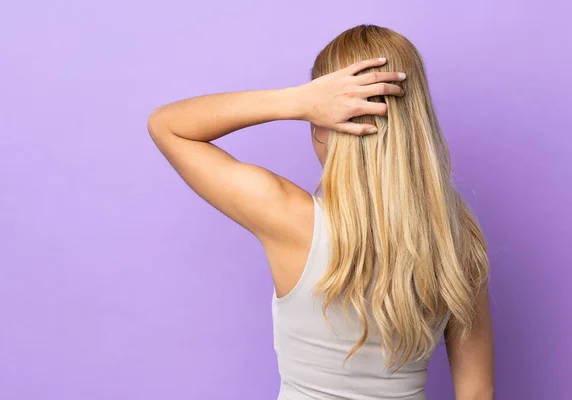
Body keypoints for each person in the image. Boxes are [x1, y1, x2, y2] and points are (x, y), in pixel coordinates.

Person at [147, 24, 494, 400]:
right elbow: (476, 391)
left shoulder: (288, 216)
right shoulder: (455, 235)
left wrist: (295, 101)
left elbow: (166, 125)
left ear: (323, 123)